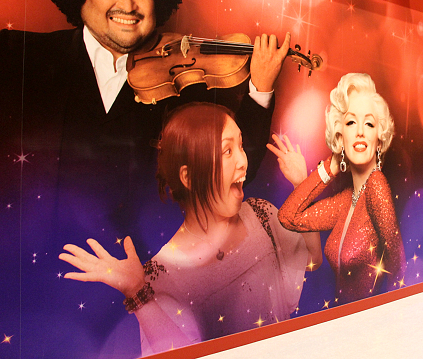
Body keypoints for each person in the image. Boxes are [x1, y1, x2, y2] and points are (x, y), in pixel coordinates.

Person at [0, 0, 290, 359]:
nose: (128, 4)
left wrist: (260, 88)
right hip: (17, 287)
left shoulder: (182, 88)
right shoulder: (18, 56)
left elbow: (227, 170)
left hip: (122, 307)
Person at [59, 102, 321, 355]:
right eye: (227, 151)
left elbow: (312, 259)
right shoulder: (161, 276)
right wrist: (137, 293)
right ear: (189, 177)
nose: (243, 161)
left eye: (240, 146)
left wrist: (303, 187)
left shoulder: (261, 214)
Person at [274, 73, 406, 304]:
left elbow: (398, 266)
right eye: (351, 122)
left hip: (368, 321)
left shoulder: (376, 185)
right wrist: (330, 166)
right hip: (340, 318)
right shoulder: (345, 201)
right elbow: (288, 217)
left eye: (369, 123)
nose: (360, 131)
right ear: (339, 134)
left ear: (379, 137)